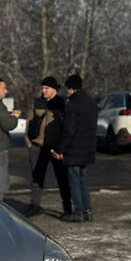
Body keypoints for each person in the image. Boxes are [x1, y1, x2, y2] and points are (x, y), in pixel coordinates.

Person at [51, 74, 97, 222]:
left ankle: (78, 212)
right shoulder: (90, 102)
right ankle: (88, 211)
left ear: (70, 88)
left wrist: (59, 150)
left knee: (74, 181)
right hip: (87, 147)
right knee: (83, 180)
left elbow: (69, 130)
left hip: (74, 149)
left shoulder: (72, 105)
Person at [24, 76, 72, 217]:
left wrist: (63, 146)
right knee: (36, 178)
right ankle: (35, 205)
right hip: (37, 147)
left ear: (54, 89)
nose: (43, 91)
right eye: (42, 88)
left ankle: (67, 208)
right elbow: (28, 122)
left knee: (62, 178)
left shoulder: (62, 103)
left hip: (55, 147)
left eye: (46, 88)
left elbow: (67, 126)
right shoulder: (37, 102)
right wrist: (28, 142)